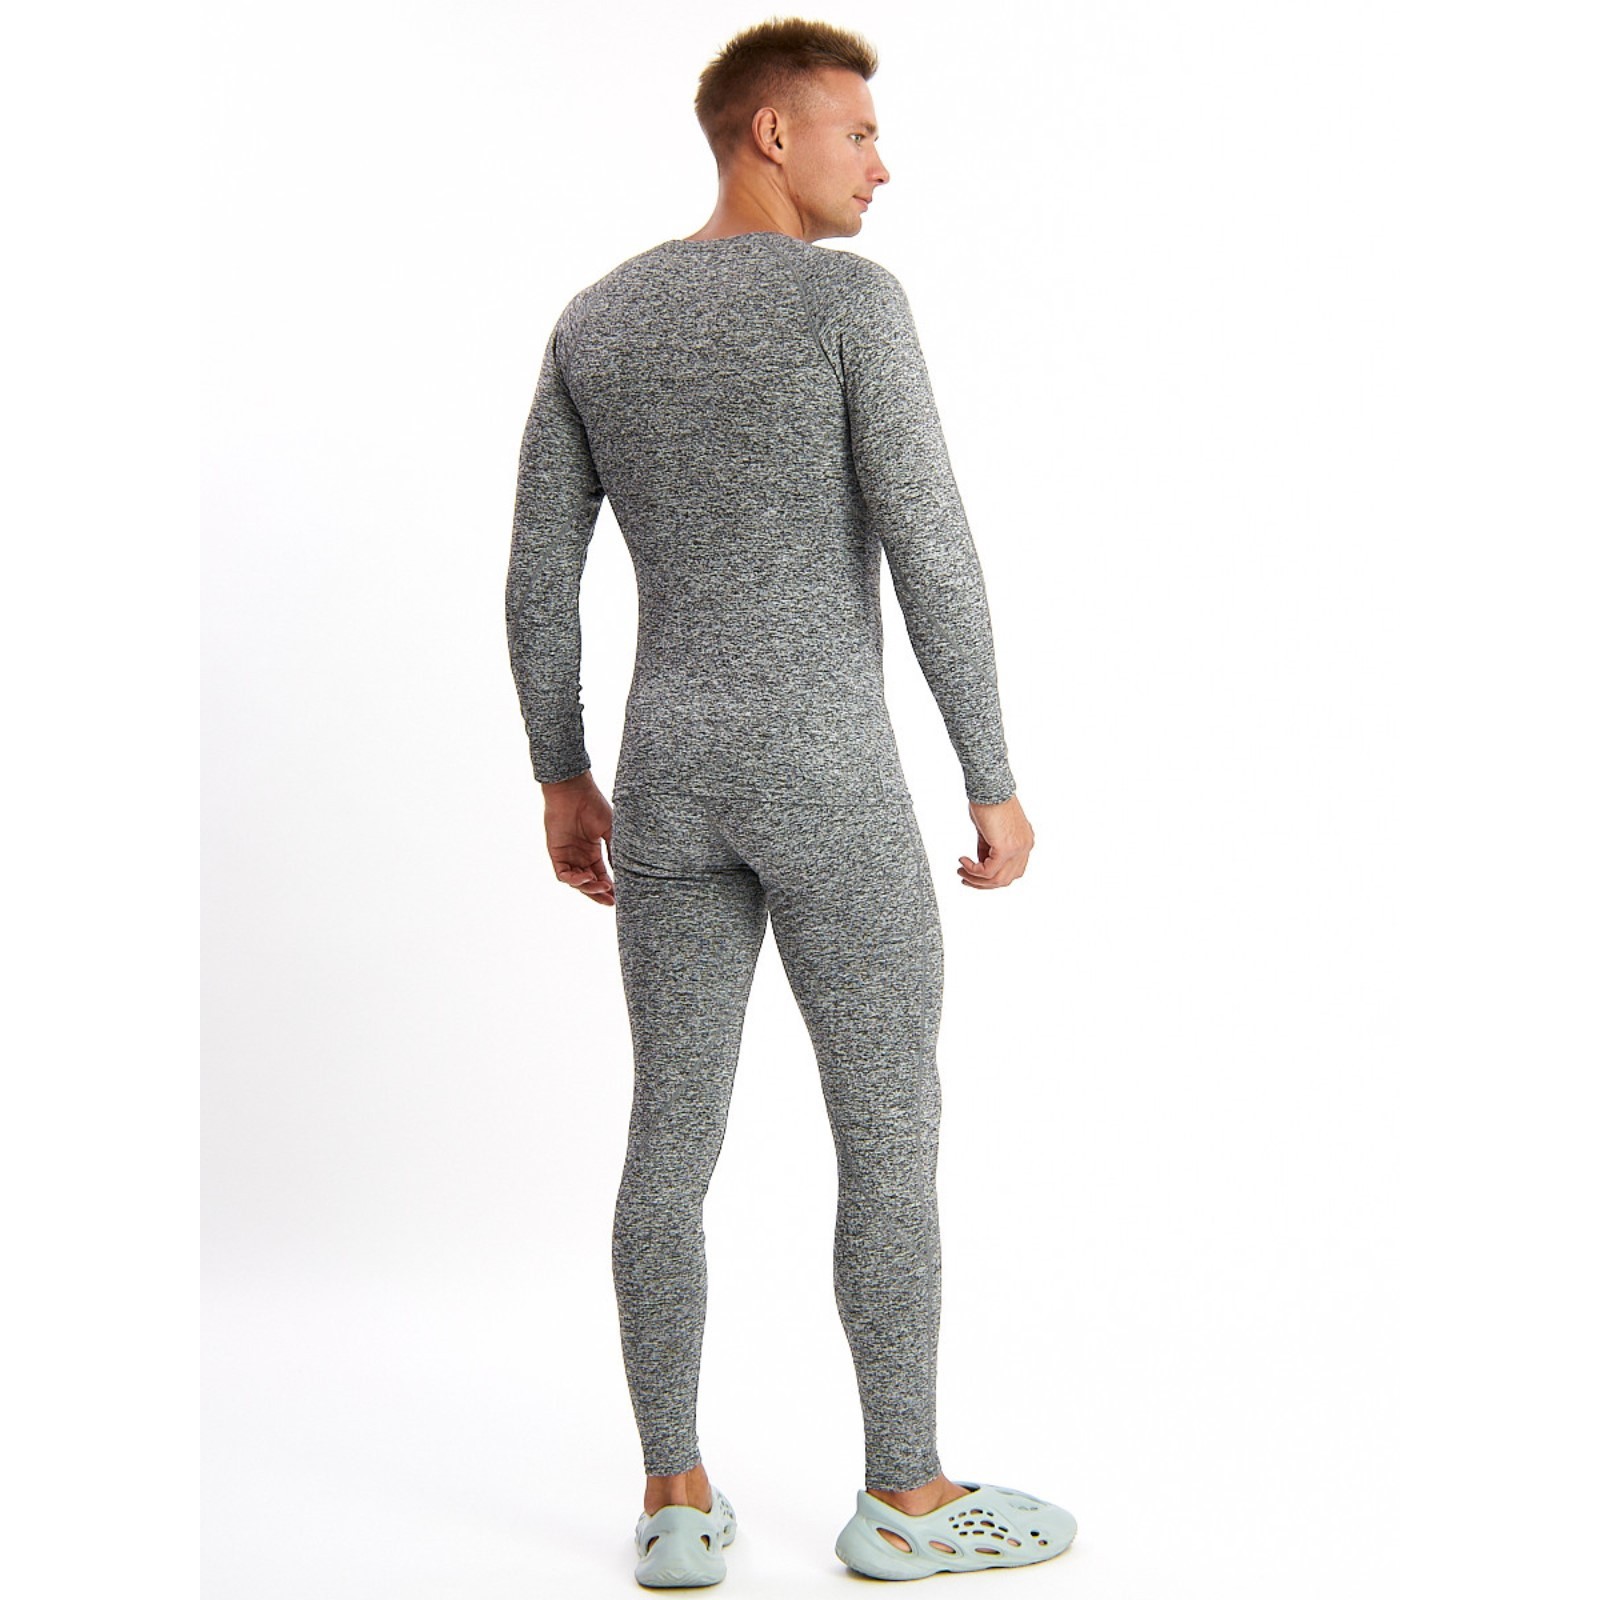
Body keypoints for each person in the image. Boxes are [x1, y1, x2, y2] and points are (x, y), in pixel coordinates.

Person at [505, 17, 1076, 1587]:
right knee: (886, 1133)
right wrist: (991, 772)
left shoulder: (595, 319)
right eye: (859, 134)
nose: (883, 166)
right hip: (829, 778)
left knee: (667, 1141)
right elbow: (933, 544)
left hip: (668, 780)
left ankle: (675, 1498)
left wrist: (560, 772)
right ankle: (906, 1495)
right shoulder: (849, 307)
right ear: (773, 133)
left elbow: (538, 580)